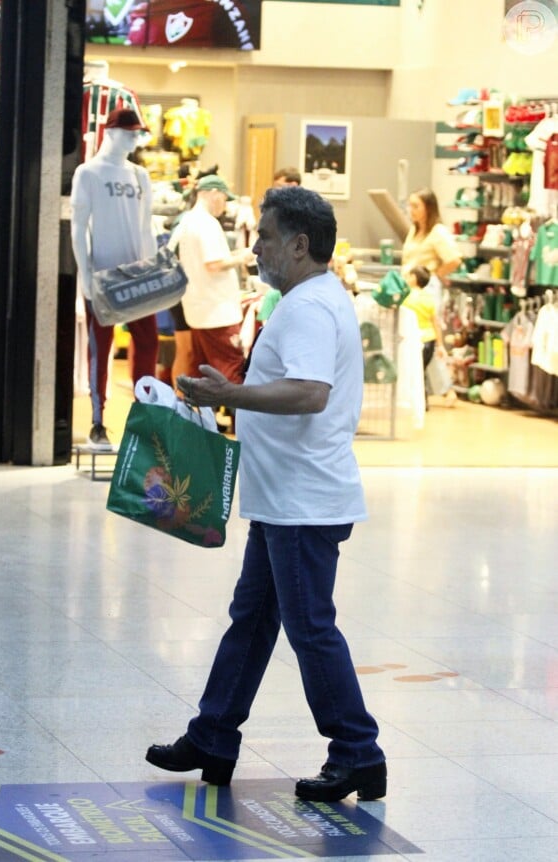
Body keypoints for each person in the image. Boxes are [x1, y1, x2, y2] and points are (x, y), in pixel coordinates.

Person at [146, 186, 387, 804]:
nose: (254, 249)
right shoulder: (309, 299)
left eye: (267, 237)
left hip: (304, 503)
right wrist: (229, 390)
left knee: (309, 628)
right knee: (252, 621)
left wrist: (226, 397)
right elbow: (290, 383)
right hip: (286, 498)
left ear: (300, 245)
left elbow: (309, 392)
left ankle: (358, 752)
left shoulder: (308, 306)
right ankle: (214, 736)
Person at [70, 108, 159, 449]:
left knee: (147, 345)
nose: (134, 139)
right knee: (100, 348)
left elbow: (146, 227)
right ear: (110, 132)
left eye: (137, 134)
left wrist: (154, 269)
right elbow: (79, 229)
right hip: (105, 277)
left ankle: (145, 419)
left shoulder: (140, 175)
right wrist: (86, 273)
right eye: (129, 132)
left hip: (139, 277)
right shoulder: (88, 173)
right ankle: (97, 422)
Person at [175, 173, 255, 386]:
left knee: (199, 370)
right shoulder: (206, 223)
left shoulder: (188, 221)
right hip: (217, 312)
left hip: (199, 308)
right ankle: (241, 419)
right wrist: (243, 257)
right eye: (224, 198)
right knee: (231, 370)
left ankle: (195, 418)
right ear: (213, 194)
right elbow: (214, 264)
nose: (225, 205)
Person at [403, 265, 455, 407]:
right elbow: (435, 323)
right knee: (422, 372)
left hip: (414, 340)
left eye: (408, 276)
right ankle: (423, 401)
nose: (405, 279)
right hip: (429, 340)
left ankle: (417, 402)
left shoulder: (406, 296)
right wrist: (440, 344)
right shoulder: (428, 298)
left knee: (412, 373)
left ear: (414, 278)